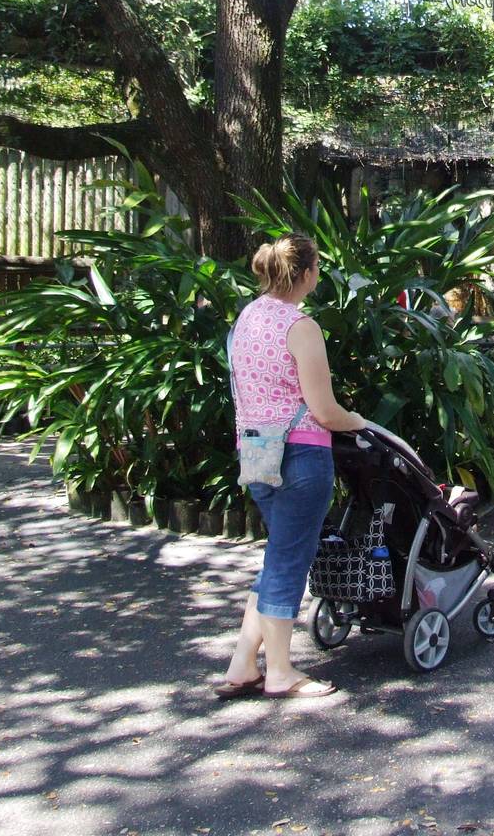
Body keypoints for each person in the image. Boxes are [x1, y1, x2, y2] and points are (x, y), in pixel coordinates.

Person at [218, 232, 368, 700]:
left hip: (257, 451)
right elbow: (324, 410)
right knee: (288, 560)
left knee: (277, 555)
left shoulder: (246, 318)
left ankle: (244, 664)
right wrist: (358, 420)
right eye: (317, 267)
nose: (319, 275)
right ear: (305, 274)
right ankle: (280, 672)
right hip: (300, 455)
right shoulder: (300, 327)